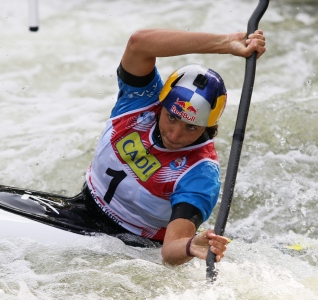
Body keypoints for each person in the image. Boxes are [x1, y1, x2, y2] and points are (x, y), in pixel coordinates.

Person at [82, 28, 266, 266]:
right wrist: (226, 42)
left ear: (208, 126)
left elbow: (169, 252)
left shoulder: (200, 173)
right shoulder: (141, 101)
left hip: (132, 247)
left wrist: (191, 246)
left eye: (192, 127)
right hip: (84, 206)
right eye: (171, 118)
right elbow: (139, 43)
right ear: (162, 105)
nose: (176, 134)